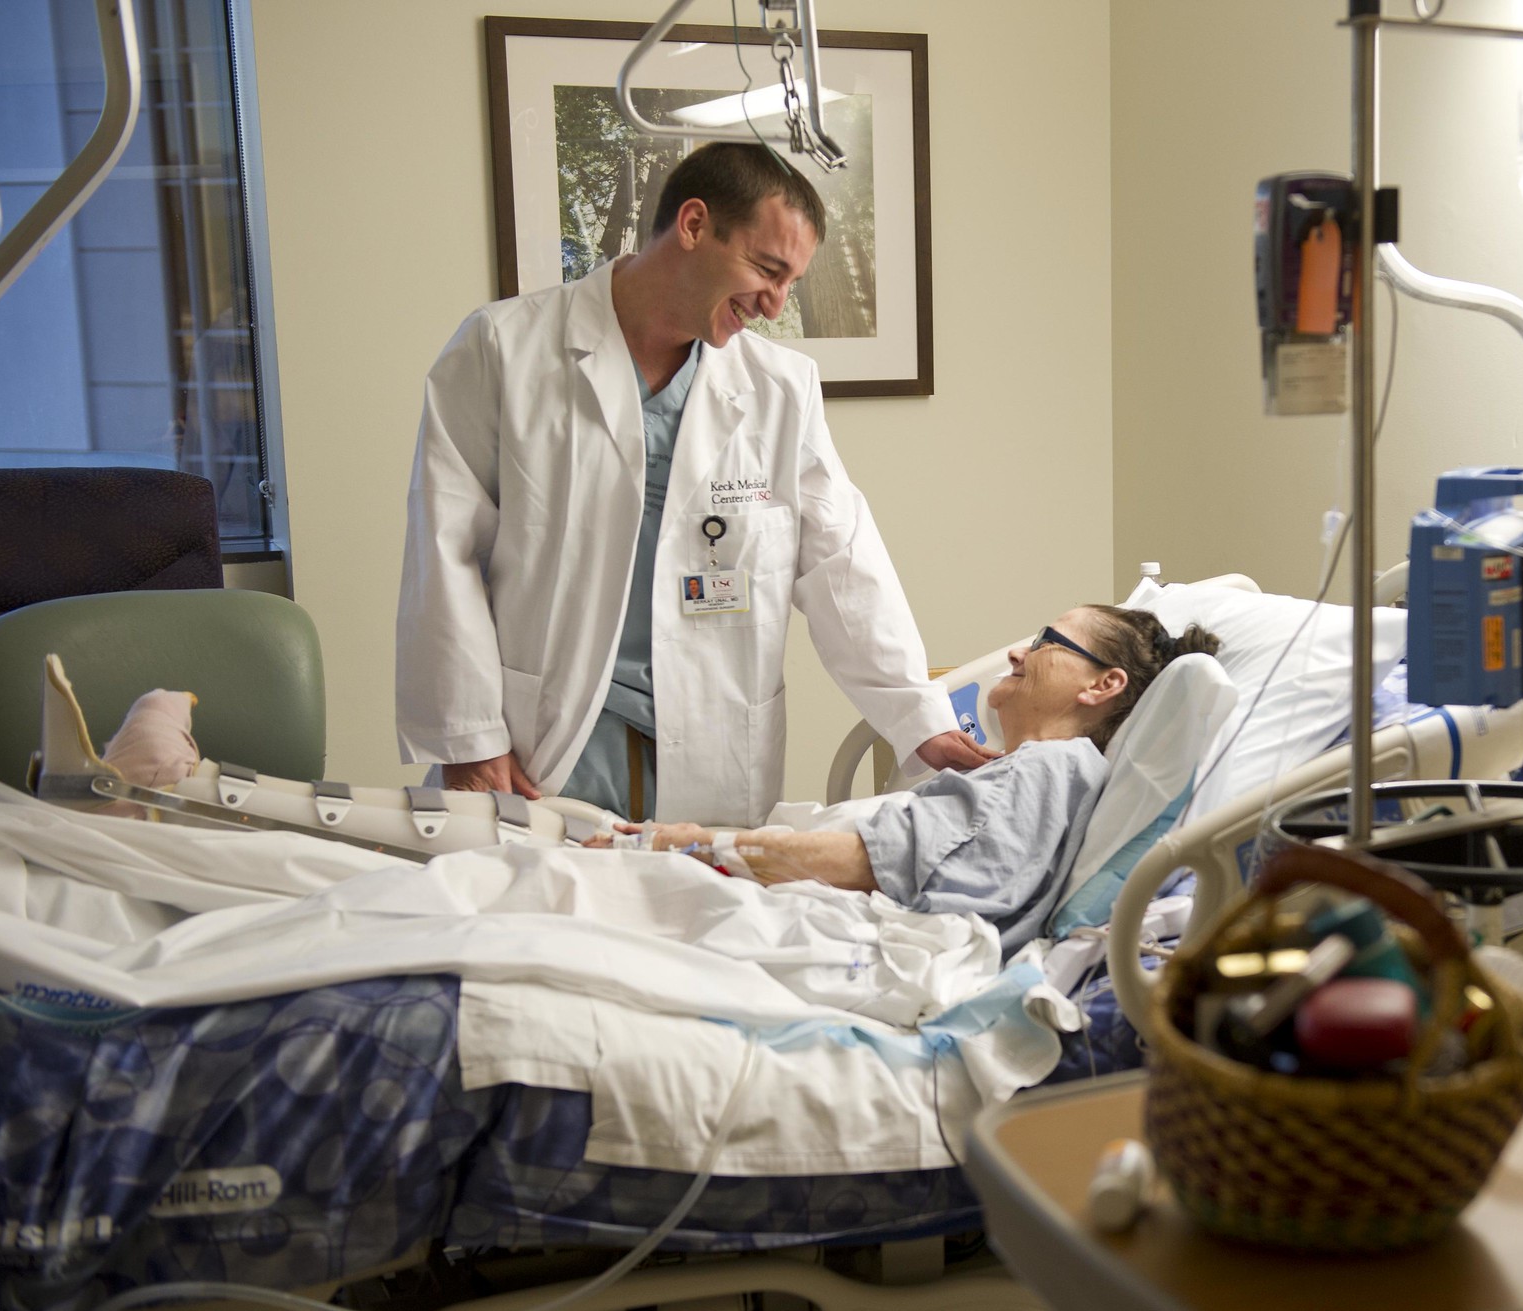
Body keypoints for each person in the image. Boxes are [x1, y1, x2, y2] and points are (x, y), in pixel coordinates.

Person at [396, 143, 995, 827]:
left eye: (791, 283)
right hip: (548, 746)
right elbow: (443, 550)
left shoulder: (780, 388)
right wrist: (468, 737)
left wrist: (917, 716)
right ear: (693, 225)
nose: (773, 304)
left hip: (713, 750)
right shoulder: (504, 348)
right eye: (767, 268)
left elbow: (843, 562)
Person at [591, 606, 1223, 954]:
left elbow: (875, 862)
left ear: (1102, 684)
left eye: (1045, 640)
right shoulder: (1032, 772)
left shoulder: (1052, 766)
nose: (1016, 653)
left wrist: (687, 847)